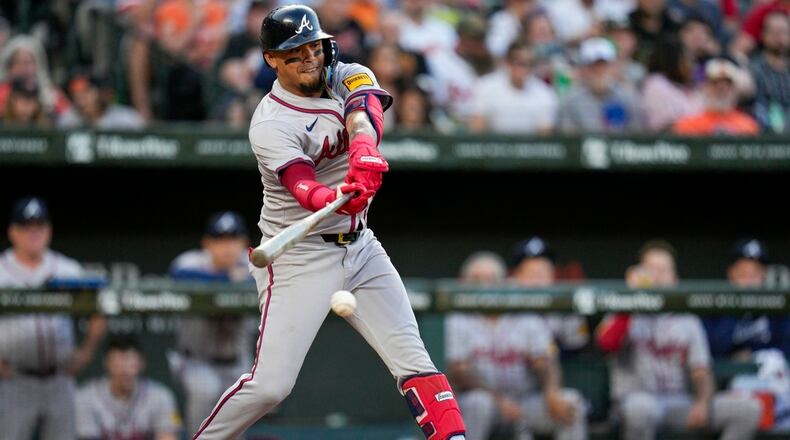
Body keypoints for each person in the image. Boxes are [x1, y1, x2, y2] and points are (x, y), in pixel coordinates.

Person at [190, 5, 466, 439]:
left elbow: (365, 106)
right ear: (271, 60)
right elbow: (302, 187)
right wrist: (333, 196)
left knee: (414, 360)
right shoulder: (270, 122)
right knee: (270, 387)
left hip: (361, 246)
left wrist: (362, 148)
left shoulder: (343, 70)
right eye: (295, 53)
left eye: (313, 47)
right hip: (299, 253)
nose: (309, 59)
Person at [596, 240, 762, 440]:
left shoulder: (687, 320)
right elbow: (606, 344)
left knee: (747, 410)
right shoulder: (623, 311)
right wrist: (631, 298)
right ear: (639, 274)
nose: (657, 276)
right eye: (651, 269)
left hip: (677, 403)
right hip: (635, 401)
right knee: (641, 409)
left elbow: (701, 370)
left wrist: (702, 401)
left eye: (663, 270)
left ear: (675, 278)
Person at [447, 253, 587, 440]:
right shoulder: (456, 319)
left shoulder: (526, 316)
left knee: (571, 402)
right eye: (476, 279)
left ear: (505, 282)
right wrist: (499, 401)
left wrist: (551, 392)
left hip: (523, 401)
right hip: (481, 402)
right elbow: (459, 371)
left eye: (491, 279)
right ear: (463, 283)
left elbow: (544, 360)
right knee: (478, 403)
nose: (484, 286)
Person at [0, 197, 106, 440]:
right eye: (26, 227)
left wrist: (86, 351)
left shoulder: (68, 268)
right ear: (13, 232)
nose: (34, 233)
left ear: (48, 230)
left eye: (40, 226)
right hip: (15, 379)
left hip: (59, 379)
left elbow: (101, 306)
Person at [168, 211, 255, 435]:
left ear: (244, 243)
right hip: (197, 360)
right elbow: (180, 275)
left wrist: (242, 278)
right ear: (207, 243)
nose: (227, 246)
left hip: (236, 362)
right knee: (206, 392)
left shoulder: (253, 265)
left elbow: (270, 276)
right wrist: (228, 279)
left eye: (233, 239)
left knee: (236, 425)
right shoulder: (191, 262)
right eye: (219, 239)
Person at [75, 337, 182, 440]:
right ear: (106, 364)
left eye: (130, 363)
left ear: (141, 364)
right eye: (118, 363)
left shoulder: (161, 396)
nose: (124, 371)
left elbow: (168, 436)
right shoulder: (86, 397)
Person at [704, 239, 790, 359]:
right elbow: (713, 349)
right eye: (743, 273)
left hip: (770, 373)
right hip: (730, 376)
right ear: (731, 274)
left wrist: (754, 354)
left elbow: (786, 346)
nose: (749, 281)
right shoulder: (716, 305)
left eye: (755, 274)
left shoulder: (776, 305)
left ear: (764, 275)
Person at [510, 237, 589, 352]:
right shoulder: (507, 303)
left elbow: (578, 344)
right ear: (517, 276)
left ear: (552, 275)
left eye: (542, 273)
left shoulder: (565, 302)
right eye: (531, 273)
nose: (537, 281)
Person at [469, 41, 559, 134]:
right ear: (507, 63)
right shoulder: (486, 87)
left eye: (530, 64)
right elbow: (477, 129)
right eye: (520, 64)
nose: (526, 69)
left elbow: (545, 136)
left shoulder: (545, 94)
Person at [558, 37, 643, 133]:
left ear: (613, 66)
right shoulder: (571, 99)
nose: (599, 71)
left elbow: (637, 137)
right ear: (583, 69)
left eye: (603, 65)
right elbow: (569, 140)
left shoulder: (628, 96)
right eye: (592, 66)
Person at [674, 57, 759, 135]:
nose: (721, 88)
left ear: (735, 89)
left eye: (727, 83)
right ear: (704, 87)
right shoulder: (686, 126)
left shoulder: (748, 126)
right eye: (715, 83)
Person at [641, 38, 704, 131]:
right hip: (665, 144)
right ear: (674, 60)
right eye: (688, 59)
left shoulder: (692, 88)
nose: (692, 66)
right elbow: (665, 126)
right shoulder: (656, 84)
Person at [58, 73, 146, 129]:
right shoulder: (70, 121)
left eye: (86, 94)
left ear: (100, 93)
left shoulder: (126, 118)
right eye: (76, 96)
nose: (81, 101)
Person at [750, 11, 789, 133]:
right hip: (763, 136)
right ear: (764, 35)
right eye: (775, 32)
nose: (779, 37)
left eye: (784, 32)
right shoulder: (752, 69)